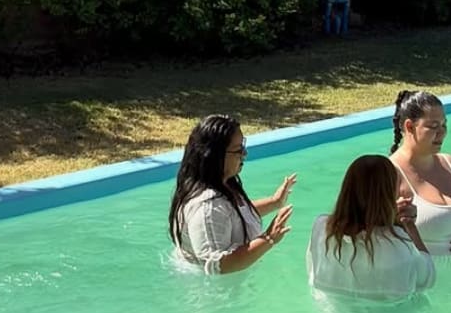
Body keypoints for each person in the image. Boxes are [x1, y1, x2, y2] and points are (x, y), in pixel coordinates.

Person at [168, 114, 297, 275]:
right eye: (238, 150)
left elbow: (233, 215)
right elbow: (218, 265)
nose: (245, 154)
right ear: (214, 156)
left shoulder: (223, 183)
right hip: (211, 294)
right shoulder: (207, 206)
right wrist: (268, 239)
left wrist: (274, 202)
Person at [307, 155, 435, 299]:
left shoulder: (321, 228)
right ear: (389, 195)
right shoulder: (400, 247)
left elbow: (312, 271)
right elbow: (427, 279)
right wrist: (408, 225)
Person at [387, 90, 451, 257]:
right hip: (420, 280)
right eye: (433, 126)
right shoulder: (390, 172)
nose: (442, 133)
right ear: (410, 127)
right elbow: (372, 237)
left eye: (444, 125)